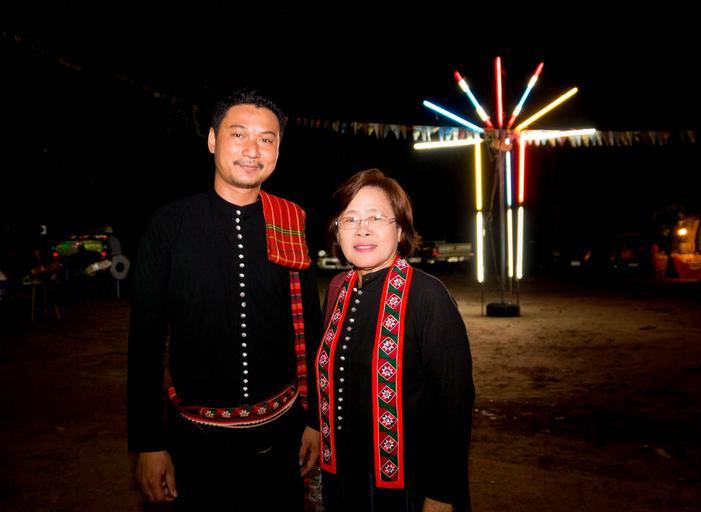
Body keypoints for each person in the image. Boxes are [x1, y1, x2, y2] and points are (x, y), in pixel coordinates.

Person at [127, 89, 322, 510]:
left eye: (266, 139)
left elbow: (311, 327)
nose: (252, 149)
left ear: (278, 149)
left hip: (283, 437)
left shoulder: (291, 221)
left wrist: (314, 421)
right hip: (196, 443)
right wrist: (149, 443)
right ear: (213, 140)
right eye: (239, 134)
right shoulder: (169, 225)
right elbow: (145, 339)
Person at [316, 169, 475, 512]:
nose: (362, 229)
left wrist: (442, 493)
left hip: (407, 489)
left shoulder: (428, 295)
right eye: (350, 219)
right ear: (337, 231)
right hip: (341, 481)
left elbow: (454, 403)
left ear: (400, 229)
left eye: (376, 217)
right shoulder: (337, 290)